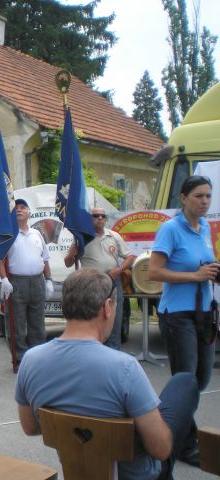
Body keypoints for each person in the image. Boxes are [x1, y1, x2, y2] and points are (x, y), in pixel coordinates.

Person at [16, 268, 199, 480]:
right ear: (107, 307)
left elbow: (30, 427)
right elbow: (160, 449)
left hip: (79, 470)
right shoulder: (125, 367)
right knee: (185, 382)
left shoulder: (30, 360)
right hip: (138, 476)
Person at [148, 174, 218, 467]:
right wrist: (195, 276)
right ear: (184, 198)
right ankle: (184, 444)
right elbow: (153, 272)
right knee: (185, 380)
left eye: (208, 196)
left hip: (202, 313)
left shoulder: (203, 228)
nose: (204, 201)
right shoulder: (170, 229)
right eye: (199, 196)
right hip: (177, 314)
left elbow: (204, 265)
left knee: (201, 379)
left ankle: (173, 432)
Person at [64, 207, 136, 350]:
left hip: (112, 282)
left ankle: (113, 356)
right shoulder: (82, 238)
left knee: (115, 323)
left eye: (103, 216)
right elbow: (68, 263)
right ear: (89, 219)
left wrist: (119, 269)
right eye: (96, 216)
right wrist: (72, 252)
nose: (100, 218)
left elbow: (130, 257)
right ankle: (94, 355)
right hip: (91, 284)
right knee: (91, 322)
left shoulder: (114, 236)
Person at [0, 198, 52, 365]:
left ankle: (37, 357)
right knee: (16, 324)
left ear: (29, 213)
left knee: (37, 323)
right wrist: (4, 279)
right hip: (16, 282)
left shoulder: (37, 234)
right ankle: (20, 358)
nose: (19, 210)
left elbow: (45, 258)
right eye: (16, 208)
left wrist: (49, 279)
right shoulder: (8, 234)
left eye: (23, 207)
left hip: (37, 281)